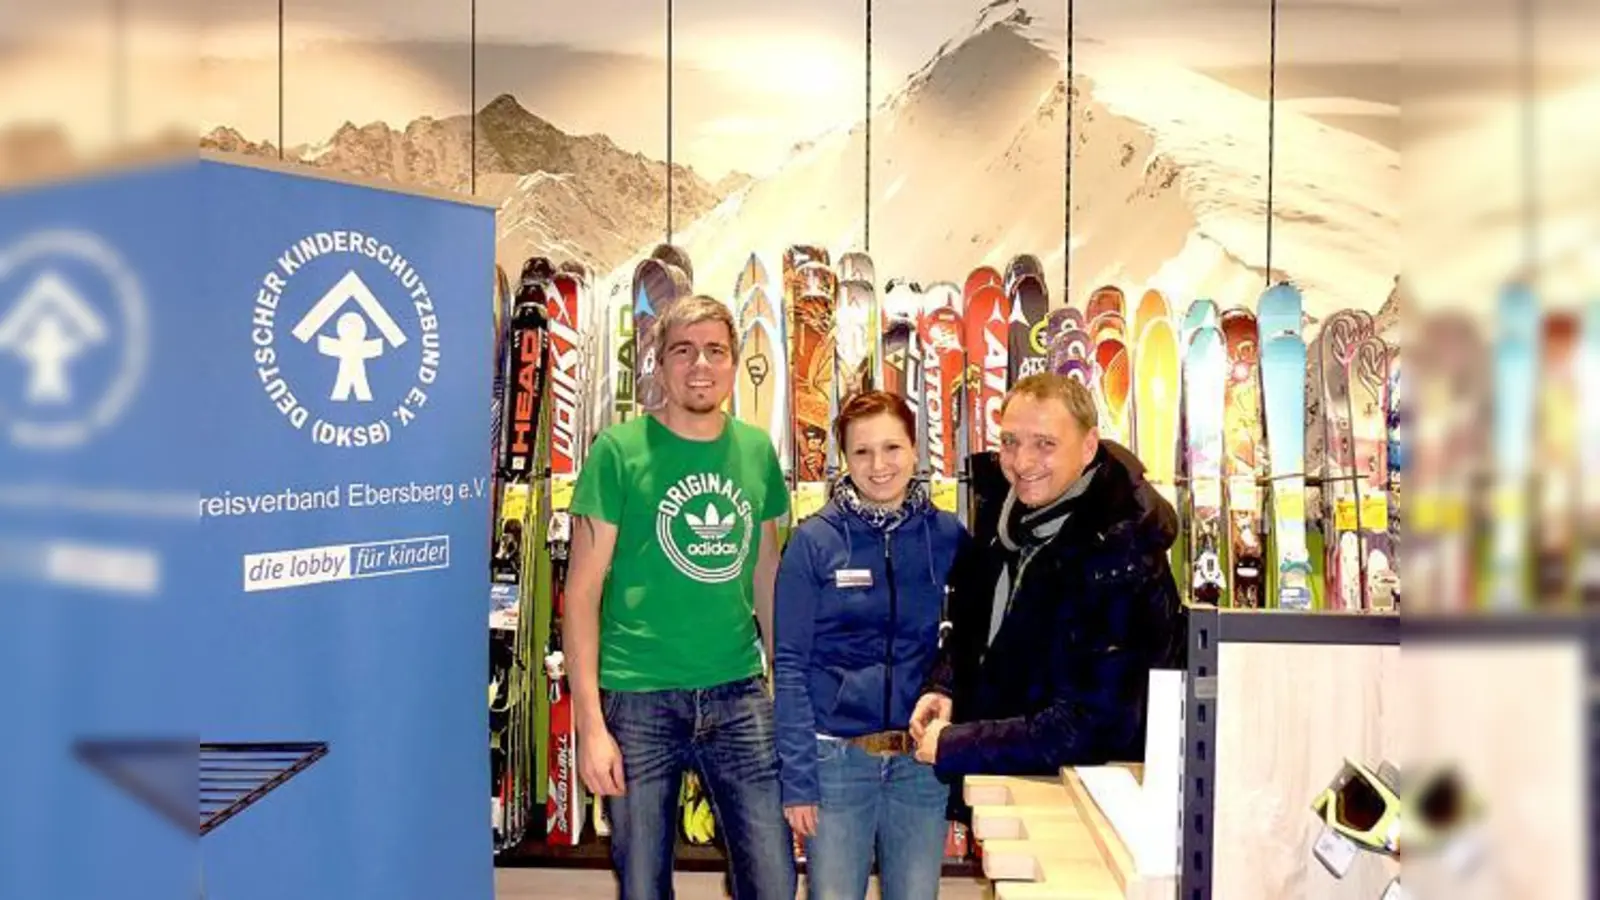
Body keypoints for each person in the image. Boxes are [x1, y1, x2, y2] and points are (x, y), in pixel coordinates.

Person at [564, 294, 797, 900]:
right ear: (659, 364)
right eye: (683, 351)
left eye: (715, 351)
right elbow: (581, 595)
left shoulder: (755, 451)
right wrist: (590, 722)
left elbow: (765, 576)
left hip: (738, 692)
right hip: (639, 698)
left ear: (734, 363)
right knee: (643, 885)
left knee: (773, 880)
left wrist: (787, 692)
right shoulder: (618, 452)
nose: (700, 365)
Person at [908, 373, 1186, 782]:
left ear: (1088, 446)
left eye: (1045, 444)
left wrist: (958, 744)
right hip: (1012, 783)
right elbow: (980, 633)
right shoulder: (1006, 518)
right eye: (1010, 442)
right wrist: (946, 688)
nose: (1021, 462)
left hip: (1088, 797)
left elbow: (1096, 725)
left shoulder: (1121, 552)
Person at [771, 390, 968, 900]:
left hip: (920, 763)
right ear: (844, 459)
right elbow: (789, 665)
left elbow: (970, 644)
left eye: (892, 448)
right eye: (862, 452)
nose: (879, 465)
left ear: (915, 452)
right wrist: (798, 778)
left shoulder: (947, 537)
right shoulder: (814, 541)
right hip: (836, 764)